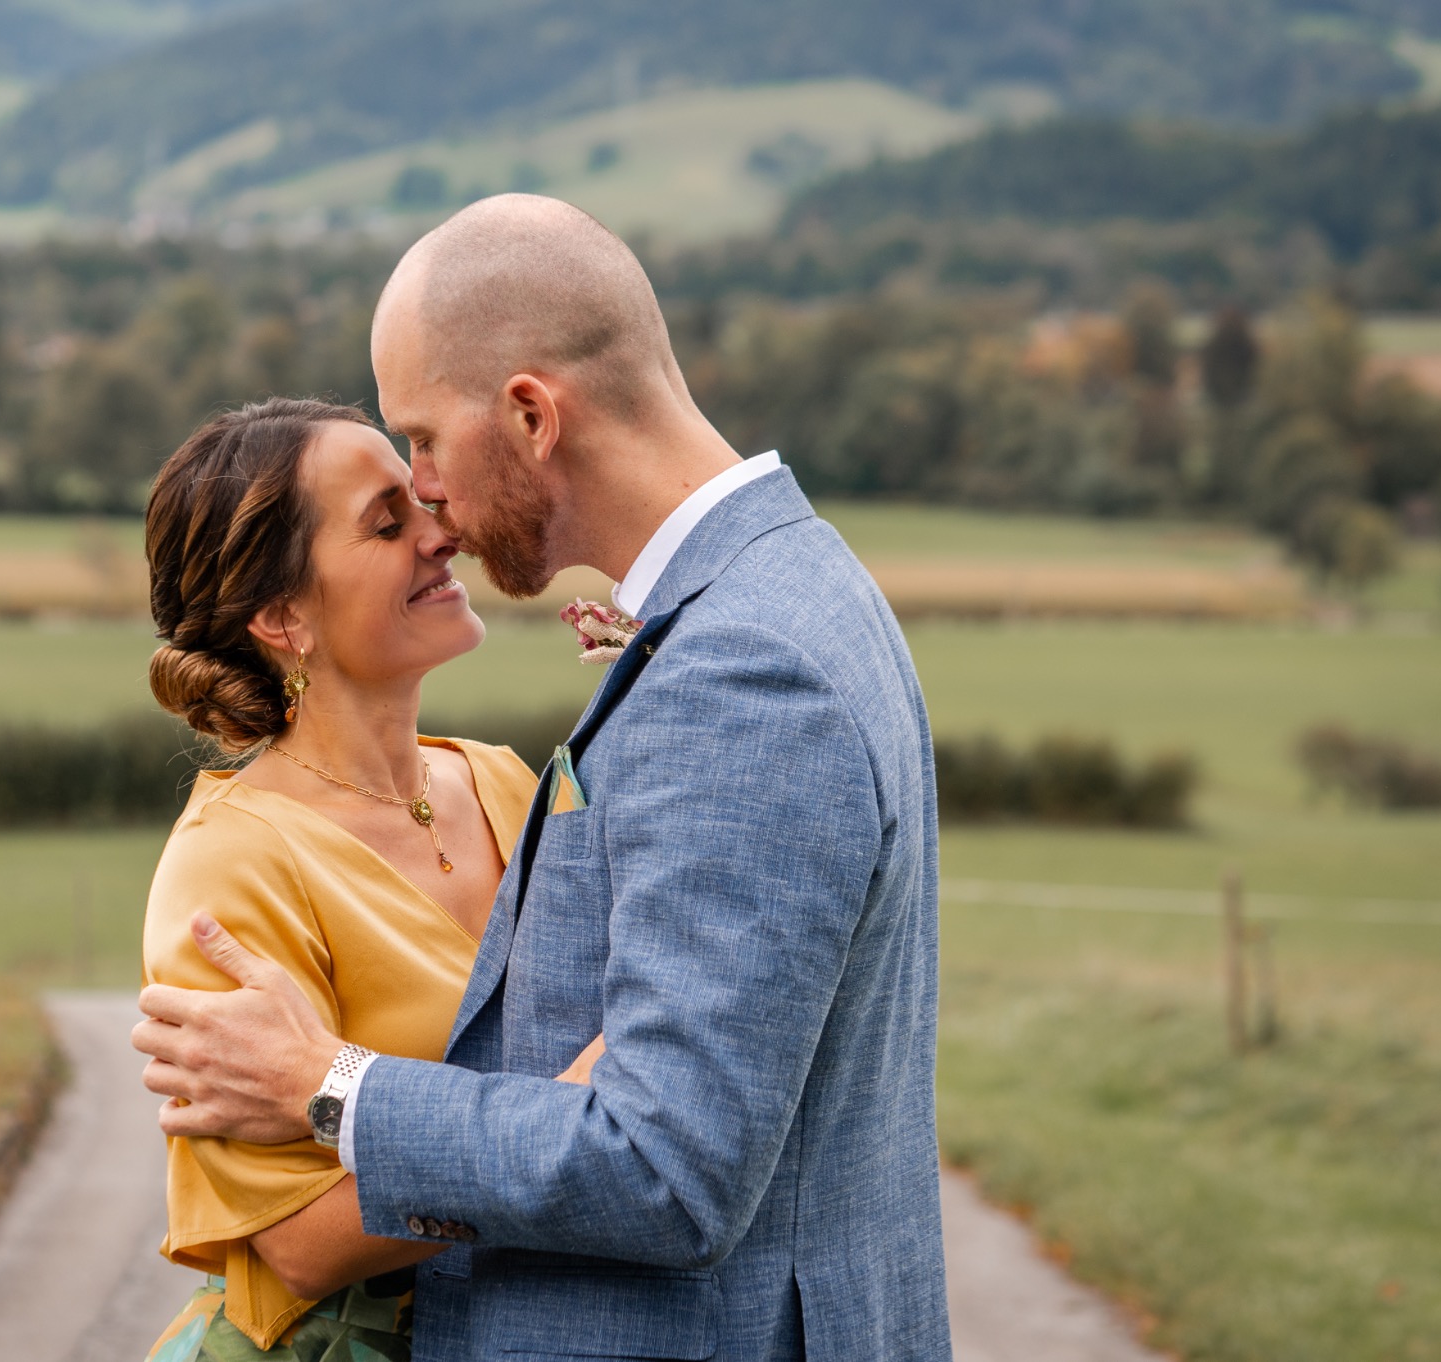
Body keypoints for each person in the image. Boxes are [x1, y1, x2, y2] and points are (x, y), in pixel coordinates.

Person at [134, 195, 951, 1360]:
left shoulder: (734, 675)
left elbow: (664, 1164)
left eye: (420, 440)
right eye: (387, 499)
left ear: (528, 414)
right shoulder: (779, 599)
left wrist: (335, 1085)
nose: (428, 500)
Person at [135, 396, 602, 1358]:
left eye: (422, 502)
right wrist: (587, 1113)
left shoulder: (506, 780)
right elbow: (299, 1246)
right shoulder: (232, 864)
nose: (445, 534)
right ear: (280, 616)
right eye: (389, 524)